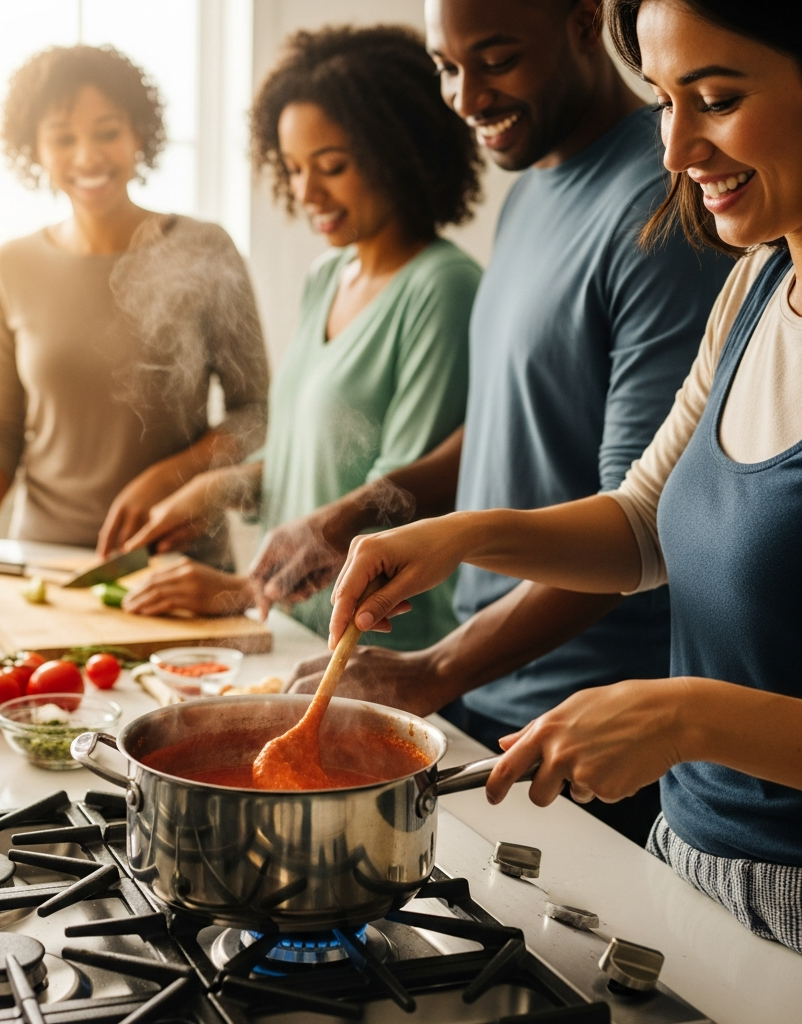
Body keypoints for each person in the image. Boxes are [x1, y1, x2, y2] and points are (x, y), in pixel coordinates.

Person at [327, 0, 802, 953]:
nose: (674, 151)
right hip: (688, 866)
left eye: (713, 98)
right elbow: (642, 522)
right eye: (665, 100)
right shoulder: (754, 286)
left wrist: (684, 714)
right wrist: (458, 534)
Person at [264, 0, 732, 845]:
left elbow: (641, 514)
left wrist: (436, 667)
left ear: (586, 23)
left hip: (588, 731)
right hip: (492, 693)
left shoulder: (668, 209)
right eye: (448, 66)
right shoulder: (532, 192)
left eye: (496, 57)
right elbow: (518, 418)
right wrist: (365, 509)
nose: (466, 94)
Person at [115, 26, 483, 651]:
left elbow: (396, 498)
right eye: (294, 169)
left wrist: (236, 590)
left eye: (332, 167)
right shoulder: (328, 276)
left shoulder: (442, 287)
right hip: (292, 630)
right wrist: (216, 487)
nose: (308, 194)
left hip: (374, 646)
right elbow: (311, 458)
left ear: (400, 151)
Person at [0, 45, 268, 564]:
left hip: (177, 560)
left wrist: (166, 478)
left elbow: (254, 412)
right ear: (36, 150)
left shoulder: (204, 249)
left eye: (107, 132)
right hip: (46, 562)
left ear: (139, 133)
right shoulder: (11, 266)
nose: (87, 156)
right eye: (63, 138)